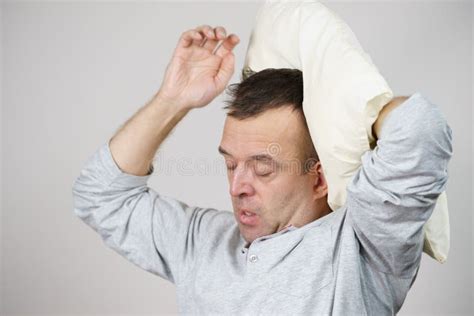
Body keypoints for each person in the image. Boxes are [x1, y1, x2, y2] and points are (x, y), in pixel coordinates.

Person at [72, 25, 453, 315]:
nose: (237, 187)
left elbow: (419, 128)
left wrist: (355, 115)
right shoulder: (203, 240)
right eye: (230, 163)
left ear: (319, 178)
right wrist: (172, 100)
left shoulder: (364, 249)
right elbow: (100, 195)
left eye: (262, 169)